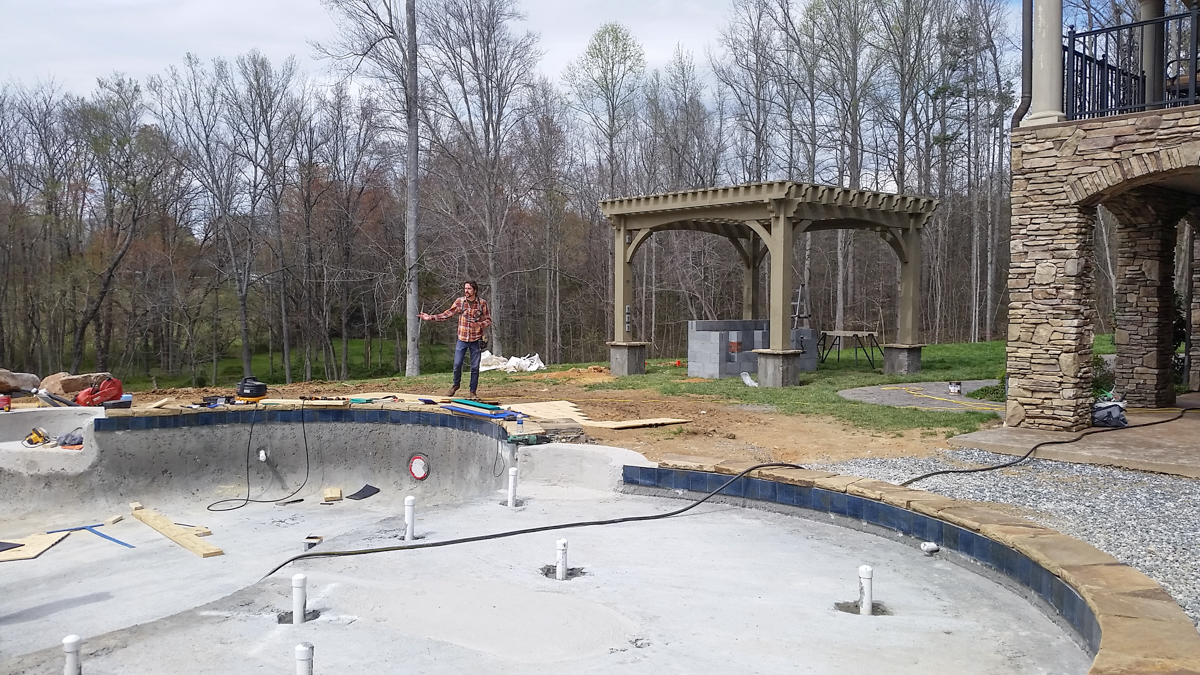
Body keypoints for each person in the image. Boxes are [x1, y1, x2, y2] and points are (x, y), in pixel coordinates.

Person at [419, 281, 492, 398]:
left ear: (475, 290)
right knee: (457, 364)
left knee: (475, 367)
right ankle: (455, 385)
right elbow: (447, 314)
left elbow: (488, 320)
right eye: (465, 288)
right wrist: (430, 317)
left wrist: (479, 324)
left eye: (469, 289)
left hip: (476, 340)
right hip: (462, 338)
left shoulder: (482, 303)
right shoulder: (460, 302)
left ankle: (473, 391)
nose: (466, 291)